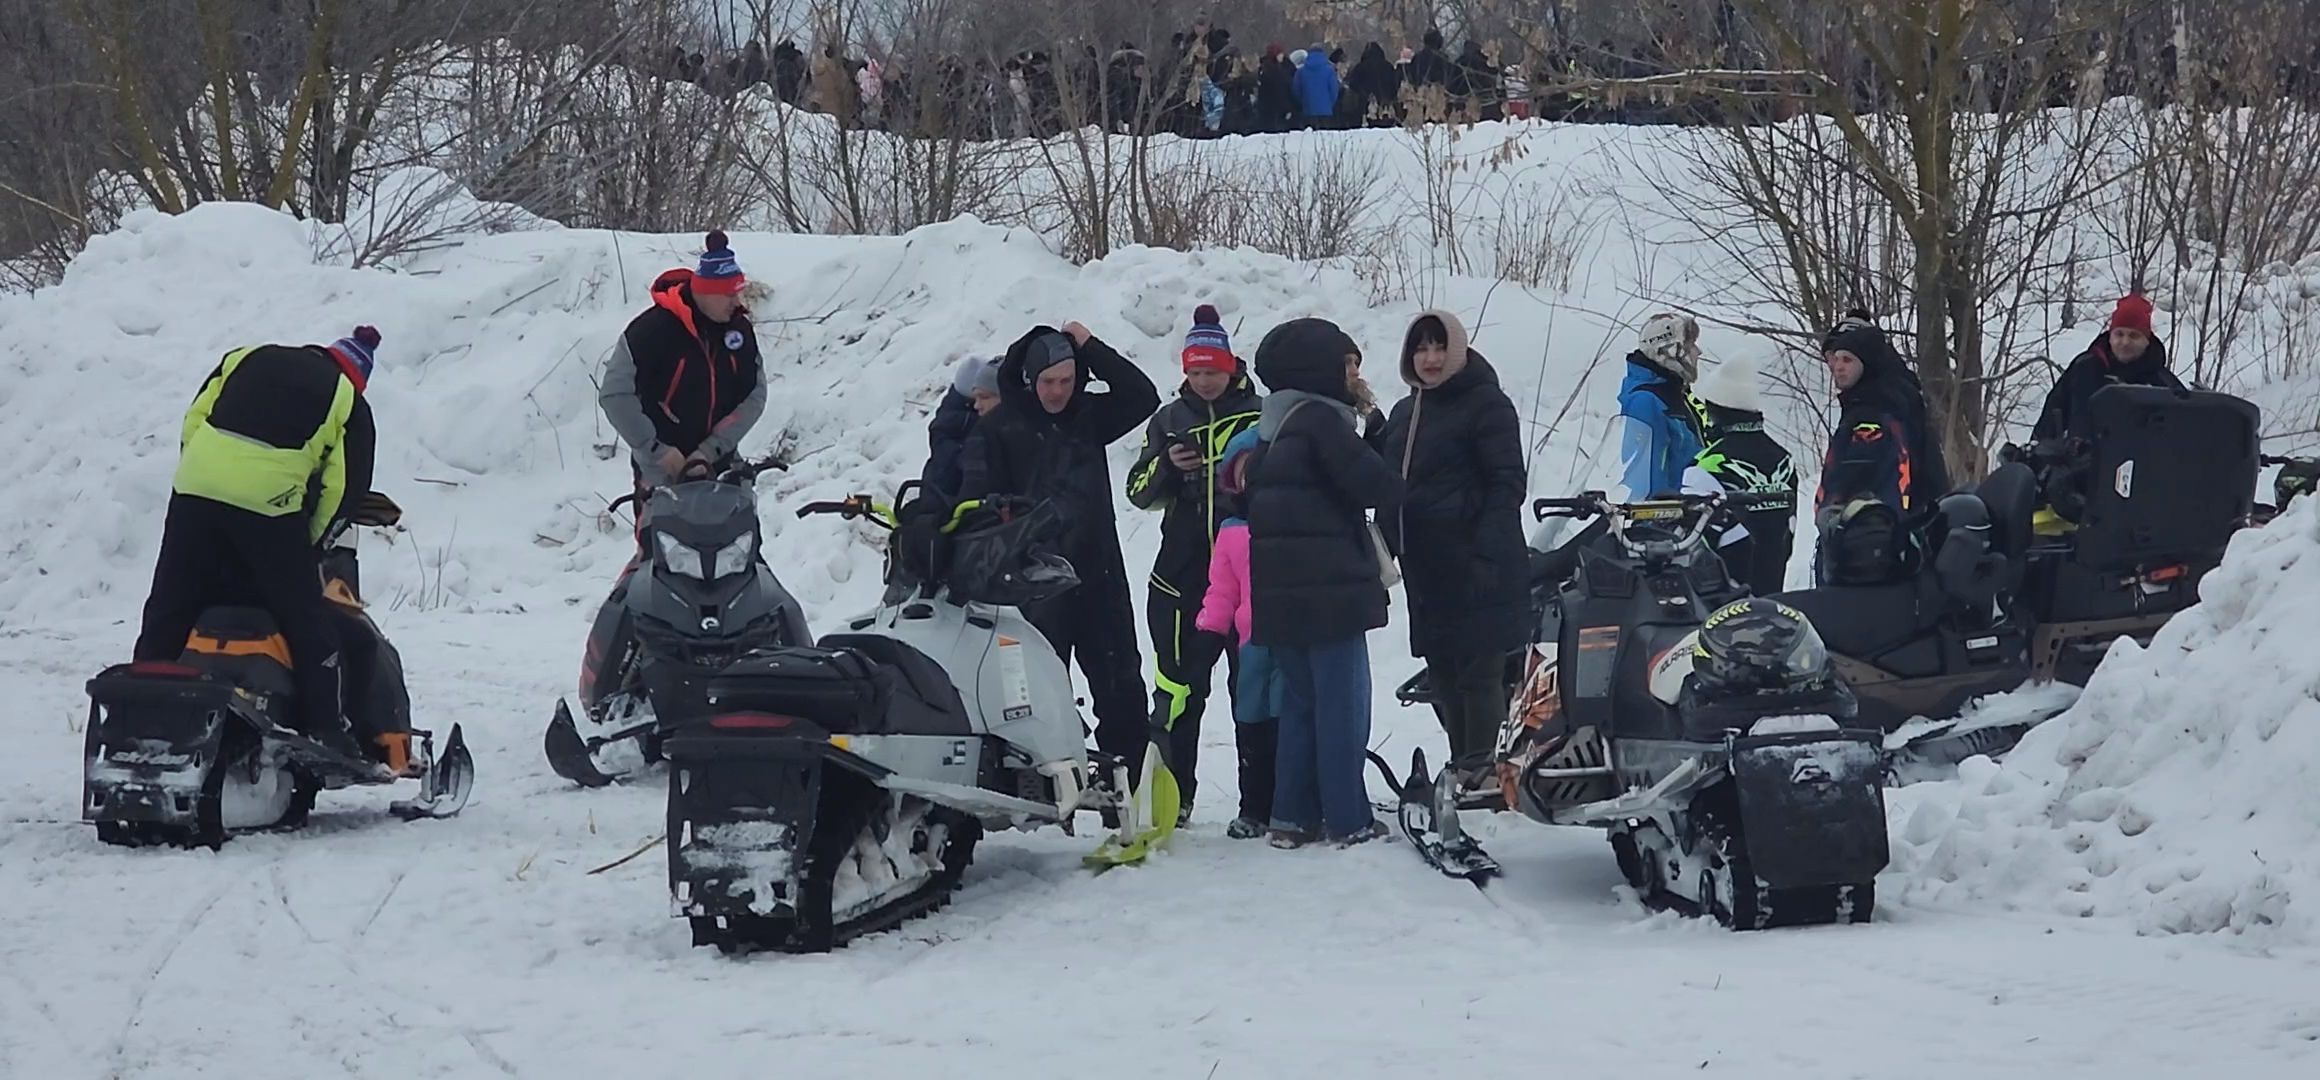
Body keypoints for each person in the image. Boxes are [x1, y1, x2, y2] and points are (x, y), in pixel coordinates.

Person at [134, 327, 382, 760]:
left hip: (195, 487)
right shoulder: (348, 400)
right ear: (359, 376)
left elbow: (194, 419)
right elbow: (343, 487)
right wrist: (310, 542)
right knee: (305, 617)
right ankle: (326, 730)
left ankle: (141, 708)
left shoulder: (246, 355)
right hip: (268, 503)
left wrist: (202, 481)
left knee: (171, 604)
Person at [962, 321, 1161, 773]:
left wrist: (1089, 345)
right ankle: (1043, 785)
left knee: (1121, 691)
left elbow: (1142, 396)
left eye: (1067, 381)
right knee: (1035, 699)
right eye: (1049, 382)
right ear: (1030, 379)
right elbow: (973, 503)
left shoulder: (1087, 416)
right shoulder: (997, 429)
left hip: (1097, 575)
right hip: (1031, 584)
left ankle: (1129, 783)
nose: (1057, 392)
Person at [1246, 318, 1399, 848]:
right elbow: (1376, 485)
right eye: (1349, 364)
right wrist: (1381, 437)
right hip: (1329, 594)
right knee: (1342, 709)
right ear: (1320, 370)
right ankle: (1349, 818)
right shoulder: (1321, 422)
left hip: (1282, 596)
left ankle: (1291, 817)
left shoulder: (1274, 428)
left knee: (1301, 707)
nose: (1355, 375)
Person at [1124, 305, 1263, 821]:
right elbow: (1137, 492)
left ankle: (1259, 803)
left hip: (1246, 578)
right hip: (1180, 581)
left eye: (1213, 371)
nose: (1204, 381)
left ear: (1231, 366)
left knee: (1252, 693)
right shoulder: (1168, 419)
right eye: (1196, 372)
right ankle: (1173, 801)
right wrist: (1167, 465)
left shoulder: (1260, 414)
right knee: (1178, 693)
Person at [1376, 311, 1527, 783]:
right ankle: (1464, 765)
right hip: (1426, 568)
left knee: (1479, 673)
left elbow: (1507, 484)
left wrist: (1486, 553)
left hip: (1479, 562)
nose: (1431, 358)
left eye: (1439, 347)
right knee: (1442, 672)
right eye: (1421, 348)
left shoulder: (1487, 405)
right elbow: (1391, 482)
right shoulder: (1406, 412)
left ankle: (1485, 774)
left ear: (1457, 350)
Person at [598, 231, 767, 519]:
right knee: (666, 545)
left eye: (738, 292)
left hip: (721, 468)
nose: (736, 301)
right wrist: (656, 450)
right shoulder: (651, 331)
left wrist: (711, 450)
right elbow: (615, 396)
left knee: (737, 543)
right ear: (705, 292)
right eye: (729, 294)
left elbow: (755, 394)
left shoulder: (738, 330)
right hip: (662, 471)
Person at [1192, 429, 1278, 839]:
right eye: (1247, 472)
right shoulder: (1230, 530)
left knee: (1289, 720)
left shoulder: (1292, 523)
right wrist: (1210, 630)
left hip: (1291, 640)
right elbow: (1222, 589)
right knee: (1250, 719)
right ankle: (1254, 805)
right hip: (1249, 647)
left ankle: (1293, 800)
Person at [1816, 309, 1949, 523]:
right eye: (1832, 358)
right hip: (1912, 516)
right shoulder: (1881, 394)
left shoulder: (1880, 404)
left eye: (1844, 358)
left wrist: (1842, 518)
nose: (1835, 366)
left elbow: (1879, 478)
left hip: (1884, 525)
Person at [1691, 355, 1798, 596]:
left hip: (1722, 601)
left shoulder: (1706, 464)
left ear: (1715, 409)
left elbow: (1697, 544)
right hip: (1773, 597)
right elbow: (1787, 535)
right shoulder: (1785, 459)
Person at [2032, 293, 2184, 441]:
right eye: (2119, 334)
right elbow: (2051, 418)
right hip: (2083, 455)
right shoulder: (2083, 369)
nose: (2125, 342)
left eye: (2134, 336)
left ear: (2147, 340)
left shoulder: (2162, 383)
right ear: (2110, 336)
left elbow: (2184, 433)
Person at [1618, 312, 1705, 501]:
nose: (1697, 352)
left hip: (1695, 507)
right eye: (1689, 346)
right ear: (1668, 350)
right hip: (1670, 511)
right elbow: (1647, 473)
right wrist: (1660, 512)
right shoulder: (1646, 401)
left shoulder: (1677, 393)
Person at [922, 354, 1001, 499]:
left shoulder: (952, 418)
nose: (978, 405)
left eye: (984, 397)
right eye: (978, 398)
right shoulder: (961, 426)